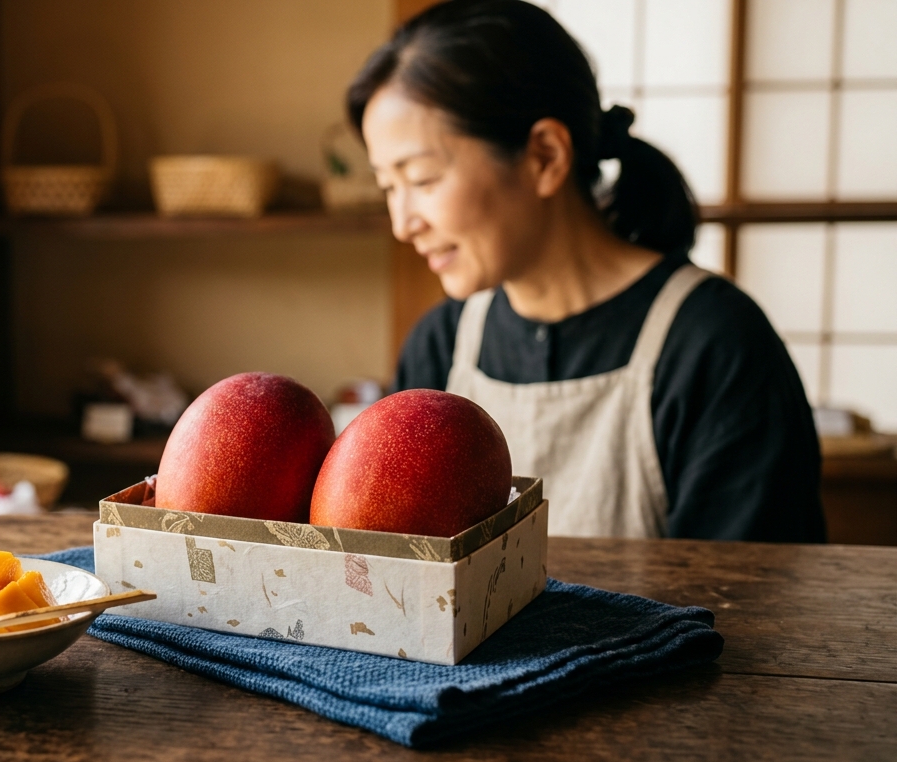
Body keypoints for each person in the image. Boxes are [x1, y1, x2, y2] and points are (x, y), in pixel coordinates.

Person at [348, 0, 825, 541]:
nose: (402, 223)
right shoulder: (441, 344)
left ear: (546, 156)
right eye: (389, 186)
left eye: (423, 178)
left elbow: (747, 601)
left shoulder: (714, 345)